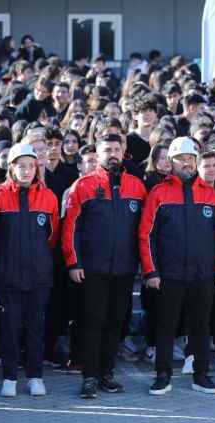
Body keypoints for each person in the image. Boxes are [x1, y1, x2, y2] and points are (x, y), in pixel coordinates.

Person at [138, 136, 215, 395]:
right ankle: (163, 375)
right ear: (171, 162)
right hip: (169, 274)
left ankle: (201, 375)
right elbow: (146, 235)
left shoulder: (211, 194)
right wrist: (151, 270)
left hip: (204, 273)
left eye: (191, 158)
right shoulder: (158, 193)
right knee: (166, 326)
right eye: (181, 159)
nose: (187, 163)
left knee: (201, 326)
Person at [61, 133, 147, 399]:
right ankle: (89, 377)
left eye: (116, 149)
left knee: (115, 323)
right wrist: (74, 262)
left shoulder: (137, 186)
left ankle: (106, 374)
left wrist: (144, 266)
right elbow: (71, 228)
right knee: (92, 322)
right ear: (97, 154)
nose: (112, 154)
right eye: (107, 149)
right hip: (92, 269)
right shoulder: (83, 185)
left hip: (124, 270)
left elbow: (145, 230)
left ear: (123, 153)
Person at [0, 143, 59, 397]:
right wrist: (2, 262)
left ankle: (35, 377)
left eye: (31, 166)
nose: (27, 171)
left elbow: (52, 236)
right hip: (8, 277)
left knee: (36, 328)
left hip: (39, 276)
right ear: (11, 168)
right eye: (21, 166)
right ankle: (10, 378)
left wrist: (38, 259)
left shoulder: (48, 197)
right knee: (10, 328)